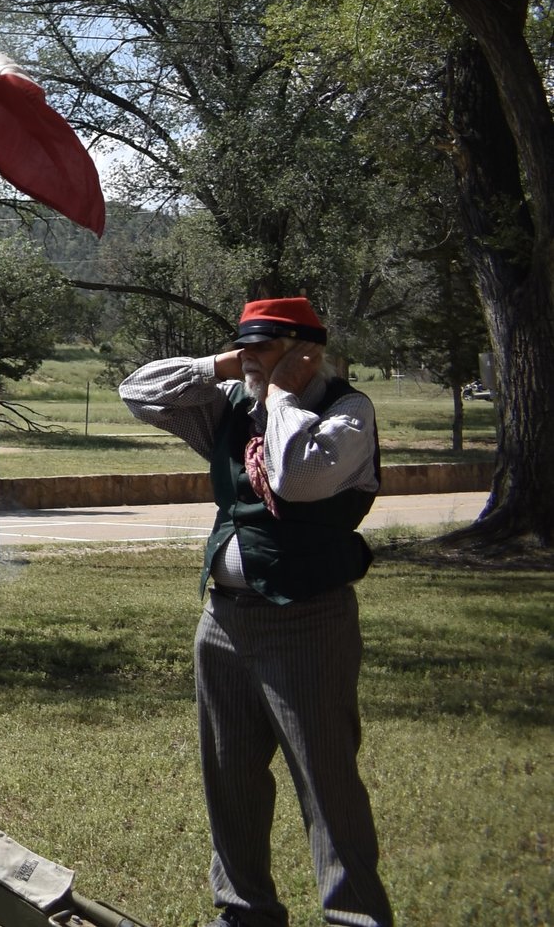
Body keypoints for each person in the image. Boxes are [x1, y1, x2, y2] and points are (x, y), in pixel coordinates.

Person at [120, 296, 394, 927]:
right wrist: (225, 364)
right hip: (224, 619)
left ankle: (355, 919)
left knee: (326, 782)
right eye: (244, 344)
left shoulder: (347, 413)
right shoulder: (233, 401)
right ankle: (246, 913)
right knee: (230, 775)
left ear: (307, 353)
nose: (252, 359)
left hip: (306, 619)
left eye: (264, 346)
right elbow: (138, 392)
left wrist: (285, 397)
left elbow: (296, 478)